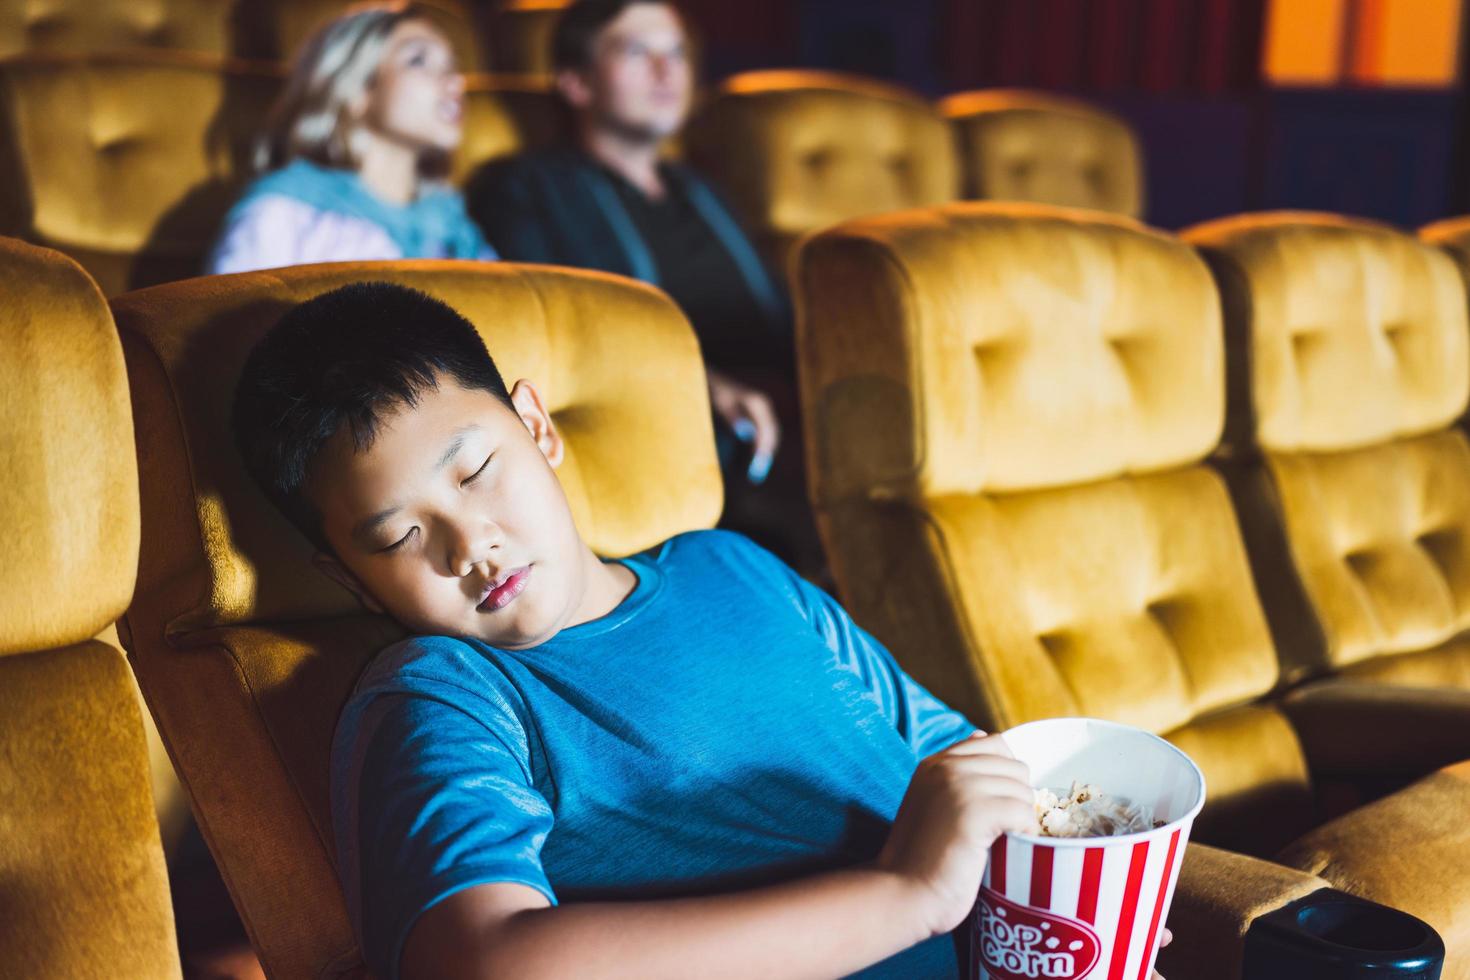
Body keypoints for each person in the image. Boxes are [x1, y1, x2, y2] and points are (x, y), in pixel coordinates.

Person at [231, 282, 1172, 979]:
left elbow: (961, 764)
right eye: (400, 535)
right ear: (349, 581)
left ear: (537, 427)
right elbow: (485, 964)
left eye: (477, 471)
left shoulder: (734, 567)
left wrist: (1073, 892)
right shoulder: (444, 694)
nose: (470, 543)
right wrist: (907, 896)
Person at [466, 0, 789, 531]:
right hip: (669, 429)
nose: (667, 71)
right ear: (576, 83)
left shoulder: (702, 188)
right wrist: (695, 379)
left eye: (677, 52)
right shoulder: (525, 186)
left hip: (781, 414)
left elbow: (778, 314)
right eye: (638, 51)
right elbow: (562, 326)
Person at [207, 3, 494, 275]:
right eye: (418, 60)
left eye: (453, 66)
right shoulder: (285, 213)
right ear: (356, 90)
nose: (456, 82)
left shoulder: (454, 225)